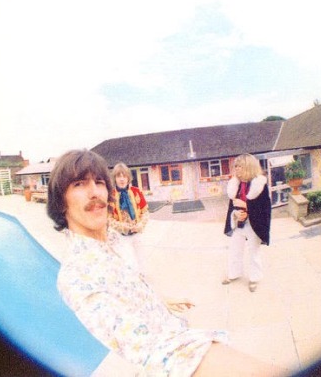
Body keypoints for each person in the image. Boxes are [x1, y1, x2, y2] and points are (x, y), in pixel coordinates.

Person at [47, 149, 270, 376]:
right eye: (79, 184)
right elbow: (148, 345)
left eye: (99, 182)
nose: (95, 192)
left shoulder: (112, 243)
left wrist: (160, 301)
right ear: (60, 201)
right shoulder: (76, 276)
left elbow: (130, 286)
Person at [222, 153, 271, 292]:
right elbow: (233, 205)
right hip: (239, 223)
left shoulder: (259, 184)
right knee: (235, 249)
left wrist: (245, 206)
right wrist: (236, 213)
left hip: (254, 224)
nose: (236, 169)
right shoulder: (236, 184)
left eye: (240, 166)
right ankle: (233, 274)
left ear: (248, 167)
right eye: (236, 166)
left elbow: (264, 208)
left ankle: (254, 278)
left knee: (253, 251)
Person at [109, 162, 149, 273]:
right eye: (118, 176)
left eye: (124, 176)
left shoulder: (136, 191)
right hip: (121, 237)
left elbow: (145, 212)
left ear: (128, 178)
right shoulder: (111, 195)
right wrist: (123, 226)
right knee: (128, 264)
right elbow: (109, 218)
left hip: (137, 234)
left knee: (141, 262)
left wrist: (140, 225)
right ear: (115, 178)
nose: (122, 179)